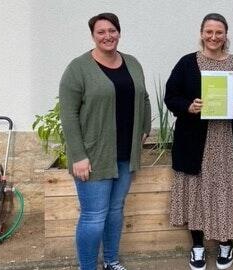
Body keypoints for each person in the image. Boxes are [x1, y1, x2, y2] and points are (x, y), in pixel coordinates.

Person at [59, 13, 151, 270]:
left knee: (114, 211)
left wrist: (144, 128)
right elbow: (68, 114)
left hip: (125, 153)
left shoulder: (132, 63)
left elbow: (143, 97)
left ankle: (111, 260)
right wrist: (78, 155)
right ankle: (87, 266)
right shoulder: (78, 68)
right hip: (93, 155)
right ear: (93, 36)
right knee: (93, 217)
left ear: (119, 33)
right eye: (101, 32)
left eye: (112, 30)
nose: (107, 36)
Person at [164, 13, 233, 270]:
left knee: (225, 190)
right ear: (201, 33)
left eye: (219, 32)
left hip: (225, 139)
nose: (214, 37)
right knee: (196, 191)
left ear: (226, 35)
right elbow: (171, 96)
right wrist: (188, 106)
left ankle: (226, 243)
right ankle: (198, 247)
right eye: (209, 32)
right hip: (194, 141)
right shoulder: (186, 63)